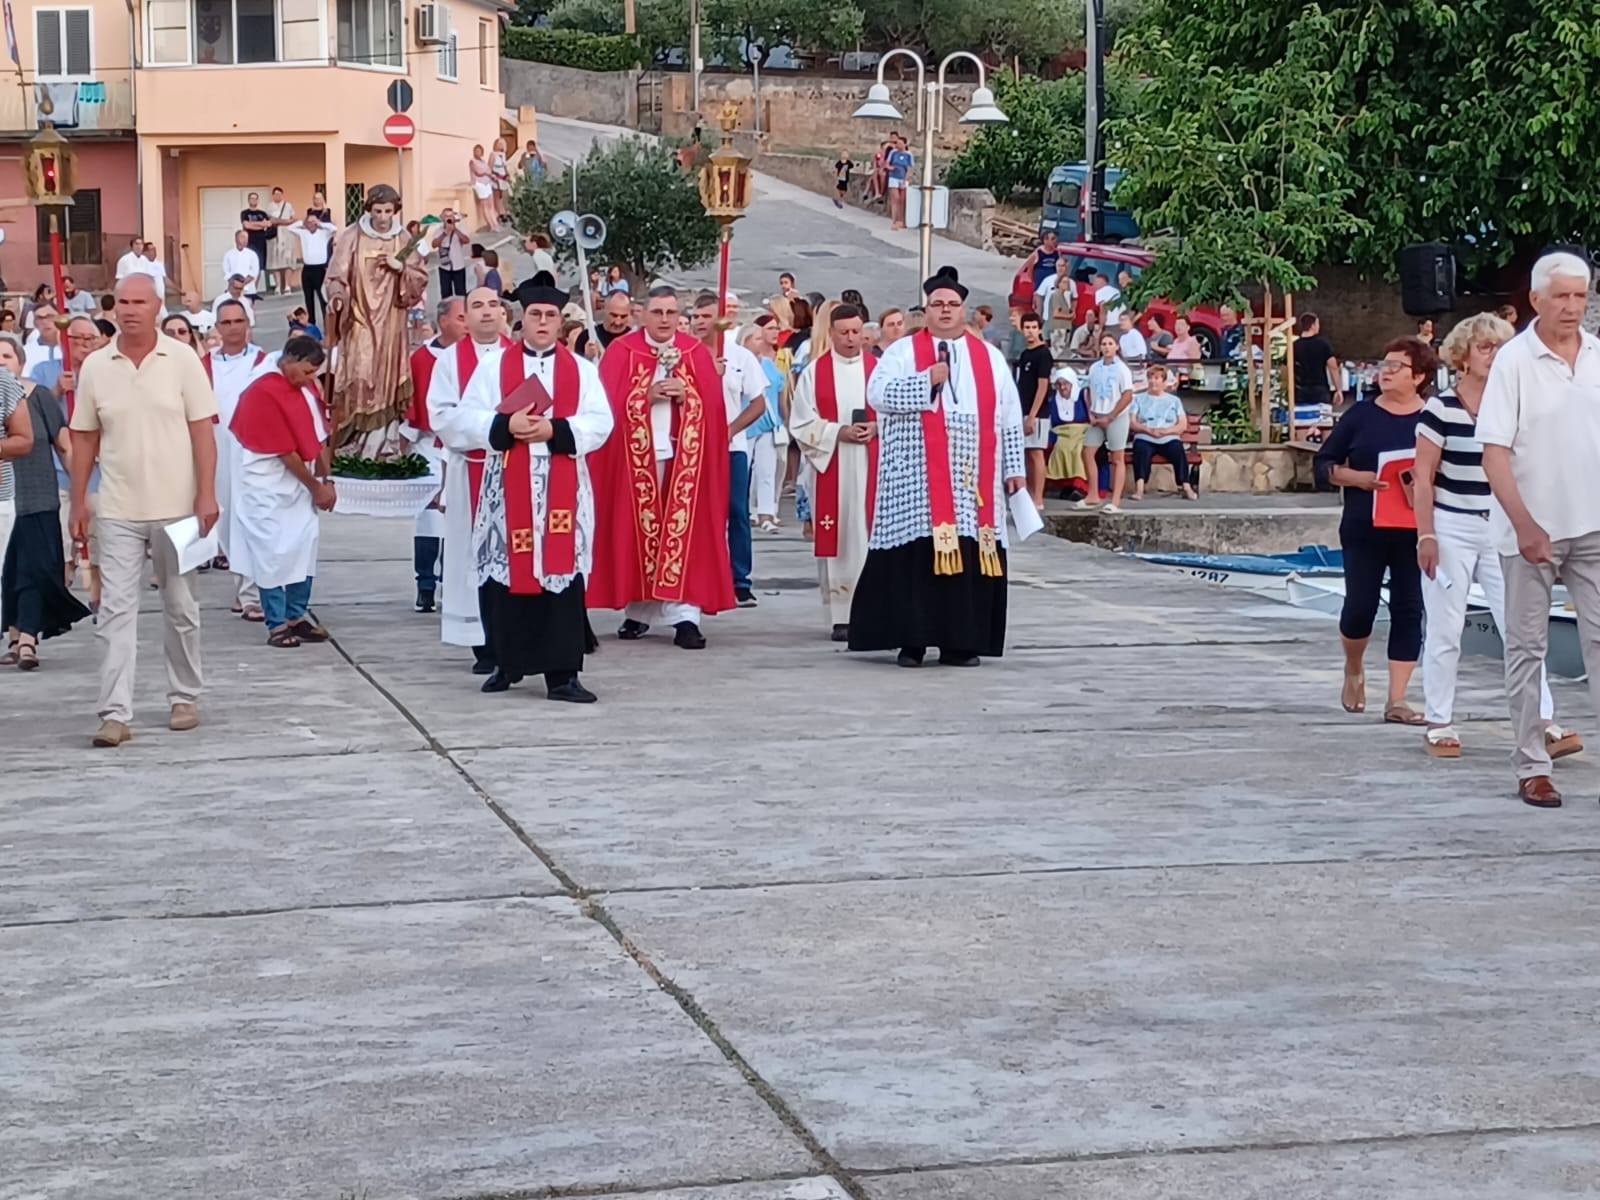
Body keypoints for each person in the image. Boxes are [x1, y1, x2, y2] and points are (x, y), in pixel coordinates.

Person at [1414, 311, 1578, 762]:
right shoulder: (1442, 407)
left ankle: (1542, 720)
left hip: (1502, 524)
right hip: (1452, 523)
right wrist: (1426, 534)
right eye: (1485, 347)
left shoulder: (1517, 405)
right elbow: (1423, 476)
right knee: (1446, 625)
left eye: (1501, 348)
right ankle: (1439, 720)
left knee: (1521, 627)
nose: (1494, 355)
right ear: (1463, 356)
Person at [446, 272, 613, 701]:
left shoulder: (582, 370)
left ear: (560, 321)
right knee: (504, 573)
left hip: (561, 483)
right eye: (535, 314)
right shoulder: (492, 367)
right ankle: (507, 664)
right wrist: (506, 425)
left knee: (561, 577)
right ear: (522, 320)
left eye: (550, 316)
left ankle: (563, 675)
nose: (542, 322)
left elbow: (602, 422)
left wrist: (555, 430)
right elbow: (463, 420)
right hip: (508, 484)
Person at [68, 274, 219, 748]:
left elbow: (203, 432)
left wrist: (207, 495)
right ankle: (114, 713)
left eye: (139, 302)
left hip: (178, 508)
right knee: (114, 611)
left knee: (181, 606)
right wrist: (79, 501)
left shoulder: (182, 359)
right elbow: (84, 438)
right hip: (118, 507)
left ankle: (184, 697)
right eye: (123, 302)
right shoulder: (96, 366)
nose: (130, 310)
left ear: (157, 307)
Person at [849, 267, 1024, 666]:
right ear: (925, 310)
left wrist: (1015, 468)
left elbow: (1009, 416)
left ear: (964, 310)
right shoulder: (902, 352)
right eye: (937, 304)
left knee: (967, 554)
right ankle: (911, 642)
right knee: (916, 557)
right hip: (916, 478)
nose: (945, 310)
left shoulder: (990, 357)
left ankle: (959, 642)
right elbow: (878, 394)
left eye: (952, 304)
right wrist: (926, 380)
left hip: (970, 480)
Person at [1478, 251, 1600, 808]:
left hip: (1592, 524)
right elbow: (1495, 452)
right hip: (1529, 530)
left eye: (1580, 295)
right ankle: (1532, 765)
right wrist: (1524, 524)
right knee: (1528, 648)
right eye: (1561, 296)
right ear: (1536, 300)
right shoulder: (1514, 361)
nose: (1572, 307)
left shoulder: (1596, 355)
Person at [591, 285, 733, 648]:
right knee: (637, 533)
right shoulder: (622, 351)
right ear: (642, 314)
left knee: (684, 533)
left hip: (684, 459)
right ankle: (639, 611)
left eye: (671, 313)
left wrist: (689, 398)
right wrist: (643, 397)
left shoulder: (694, 352)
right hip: (634, 460)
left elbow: (715, 409)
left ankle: (685, 616)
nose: (665, 320)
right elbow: (603, 406)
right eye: (657, 312)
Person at [1313, 337, 1432, 726]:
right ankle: (1354, 666)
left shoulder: (1433, 418)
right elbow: (1324, 463)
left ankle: (1397, 698)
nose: (1386, 371)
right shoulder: (1361, 415)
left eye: (1397, 366)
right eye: (1385, 364)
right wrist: (1357, 479)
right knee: (1360, 607)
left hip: (1415, 530)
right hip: (1364, 525)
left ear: (1419, 376)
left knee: (1409, 609)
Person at [421, 287, 511, 673]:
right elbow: (440, 415)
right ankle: (481, 641)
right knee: (470, 554)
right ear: (466, 318)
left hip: (515, 468)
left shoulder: (520, 355)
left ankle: (512, 638)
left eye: (493, 305)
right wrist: (493, 427)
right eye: (477, 306)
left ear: (503, 313)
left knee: (511, 553)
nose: (486, 312)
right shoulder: (450, 361)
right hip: (468, 467)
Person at [229, 337, 334, 648]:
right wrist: (316, 487)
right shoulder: (262, 390)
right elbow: (284, 450)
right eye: (306, 371)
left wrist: (327, 480)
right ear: (290, 359)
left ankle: (296, 615)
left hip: (299, 486)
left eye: (313, 373)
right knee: (272, 554)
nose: (309, 378)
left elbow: (318, 436)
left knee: (304, 547)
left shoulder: (305, 388)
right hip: (266, 485)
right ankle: (276, 623)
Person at [789, 302, 876, 639]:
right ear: (831, 333)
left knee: (867, 536)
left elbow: (898, 413)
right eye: (844, 333)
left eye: (856, 332)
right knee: (839, 536)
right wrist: (838, 432)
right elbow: (801, 422)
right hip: (832, 464)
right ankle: (842, 615)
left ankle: (872, 611)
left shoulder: (879, 369)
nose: (851, 339)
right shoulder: (815, 372)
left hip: (872, 465)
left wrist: (876, 428)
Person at [0, 335, 87, 669]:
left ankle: (27, 639)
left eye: (7, 356)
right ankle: (14, 635)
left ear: (21, 362)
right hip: (5, 501)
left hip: (37, 496)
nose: (1, 362)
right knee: (10, 571)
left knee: (34, 569)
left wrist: (79, 493)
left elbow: (64, 445)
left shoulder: (38, 397)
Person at [324, 184, 429, 456]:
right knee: (360, 374)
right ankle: (355, 442)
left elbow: (420, 277)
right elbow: (336, 275)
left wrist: (401, 267)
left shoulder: (403, 238)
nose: (383, 217)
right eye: (378, 211)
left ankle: (385, 445)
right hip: (359, 318)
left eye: (388, 211)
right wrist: (337, 296)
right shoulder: (352, 236)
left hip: (391, 321)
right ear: (369, 209)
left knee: (387, 379)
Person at [690, 292, 765, 607]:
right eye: (695, 317)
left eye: (706, 316)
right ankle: (701, 575)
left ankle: (740, 579)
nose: (699, 322)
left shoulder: (741, 357)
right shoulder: (684, 354)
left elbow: (758, 402)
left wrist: (730, 430)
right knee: (697, 512)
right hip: (693, 447)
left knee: (736, 511)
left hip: (731, 447)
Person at [205, 298, 273, 617]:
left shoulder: (265, 363)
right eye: (226, 322)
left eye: (238, 321)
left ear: (247, 324)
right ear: (217, 327)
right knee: (226, 521)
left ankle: (252, 593)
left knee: (251, 519)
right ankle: (243, 583)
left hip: (254, 452)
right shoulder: (202, 366)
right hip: (217, 450)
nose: (233, 328)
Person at [405, 295, 467, 614]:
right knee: (430, 518)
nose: (467, 323)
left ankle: (452, 585)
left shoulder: (477, 355)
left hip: (465, 446)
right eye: (461, 317)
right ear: (443, 321)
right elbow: (412, 401)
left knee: (460, 520)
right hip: (430, 445)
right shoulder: (422, 358)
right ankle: (425, 585)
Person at [1079, 333, 1134, 513]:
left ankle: (1115, 501)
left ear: (1116, 346)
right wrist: (1091, 413)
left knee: (1117, 458)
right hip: (1097, 415)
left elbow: (1127, 394)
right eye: (1104, 344)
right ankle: (1092, 494)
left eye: (1110, 343)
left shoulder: (1122, 369)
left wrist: (1111, 416)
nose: (1107, 347)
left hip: (1116, 416)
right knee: (1088, 452)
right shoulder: (1095, 367)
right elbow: (1087, 390)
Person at [1129, 364, 1197, 501]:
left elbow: (1182, 424)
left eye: (1157, 378)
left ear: (1164, 382)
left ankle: (1186, 486)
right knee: (1141, 449)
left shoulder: (1174, 401)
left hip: (1168, 437)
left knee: (1178, 450)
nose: (1153, 381)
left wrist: (1166, 431)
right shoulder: (1138, 399)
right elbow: (1132, 422)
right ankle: (1139, 488)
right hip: (1145, 436)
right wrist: (1148, 430)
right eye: (1150, 378)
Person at [745, 315, 785, 532]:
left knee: (767, 470)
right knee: (743, 471)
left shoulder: (769, 365)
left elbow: (779, 392)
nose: (761, 342)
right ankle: (745, 510)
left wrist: (783, 420)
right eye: (757, 338)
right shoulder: (740, 364)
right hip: (746, 424)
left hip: (768, 424)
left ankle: (767, 513)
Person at [1012, 311, 1054, 511]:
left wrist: (1033, 415)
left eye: (1033, 328)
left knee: (1037, 453)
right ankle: (1028, 494)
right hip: (1023, 409)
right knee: (1027, 453)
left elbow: (1042, 386)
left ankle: (1038, 498)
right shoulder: (1025, 354)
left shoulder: (1043, 354)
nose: (1030, 331)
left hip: (1037, 413)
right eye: (1027, 327)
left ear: (1039, 330)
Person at [285, 212, 337, 326]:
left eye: (314, 222)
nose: (311, 224)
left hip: (320, 269)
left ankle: (327, 323)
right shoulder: (303, 233)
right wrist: (302, 223)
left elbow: (334, 228)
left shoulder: (324, 233)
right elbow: (290, 228)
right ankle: (311, 323)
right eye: (309, 222)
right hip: (307, 269)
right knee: (308, 298)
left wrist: (320, 223)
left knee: (323, 298)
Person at [1293, 312, 1345, 408]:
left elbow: (1286, 369)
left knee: (1301, 416)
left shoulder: (1294, 345)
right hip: (1320, 389)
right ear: (1313, 325)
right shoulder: (1323, 343)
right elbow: (1333, 367)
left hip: (1300, 390)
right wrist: (1338, 389)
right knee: (1321, 416)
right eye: (1317, 324)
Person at [575, 292, 632, 360]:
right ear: (605, 310)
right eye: (614, 315)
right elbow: (576, 365)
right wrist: (587, 357)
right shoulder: (587, 336)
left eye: (623, 316)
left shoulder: (634, 339)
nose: (617, 322)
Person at [435, 208, 471, 300]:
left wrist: (455, 230)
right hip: (444, 266)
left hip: (458, 265)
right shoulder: (439, 230)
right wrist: (444, 233)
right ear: (442, 218)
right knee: (446, 293)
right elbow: (434, 244)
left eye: (450, 216)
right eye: (446, 216)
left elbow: (466, 240)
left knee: (461, 292)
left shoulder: (460, 228)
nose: (448, 218)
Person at [239, 193, 272, 289]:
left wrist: (253, 224)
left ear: (258, 200)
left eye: (255, 198)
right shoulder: (244, 213)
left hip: (261, 243)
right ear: (248, 200)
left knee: (259, 266)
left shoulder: (263, 213)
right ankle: (247, 288)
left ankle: (254, 289)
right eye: (252, 198)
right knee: (248, 266)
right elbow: (246, 225)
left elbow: (268, 224)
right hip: (249, 243)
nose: (253, 200)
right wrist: (261, 224)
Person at [22, 301, 62, 379]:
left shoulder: (71, 348)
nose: (44, 322)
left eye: (50, 316)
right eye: (39, 318)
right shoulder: (26, 352)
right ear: (35, 323)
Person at [1116, 309, 1149, 391]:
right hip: (1127, 369)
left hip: (1137, 370)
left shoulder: (1135, 334)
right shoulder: (1122, 337)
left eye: (1124, 320)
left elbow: (1142, 353)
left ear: (1130, 321)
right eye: (1120, 320)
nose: (1121, 322)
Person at [1023, 230, 1063, 296]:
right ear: (1045, 240)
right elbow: (1029, 268)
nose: (1055, 241)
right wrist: (1034, 281)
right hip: (1040, 286)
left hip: (1051, 286)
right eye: (1052, 239)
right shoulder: (1038, 252)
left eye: (1055, 238)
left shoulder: (1057, 253)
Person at [886, 135, 913, 230]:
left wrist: (906, 179)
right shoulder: (893, 153)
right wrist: (890, 168)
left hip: (903, 178)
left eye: (900, 143)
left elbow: (909, 168)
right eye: (897, 143)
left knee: (902, 200)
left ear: (905, 144)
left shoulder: (909, 155)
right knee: (895, 199)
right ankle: (894, 221)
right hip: (893, 177)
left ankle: (901, 221)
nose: (898, 145)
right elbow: (887, 163)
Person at [221, 231, 261, 297]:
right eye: (242, 237)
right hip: (233, 290)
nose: (245, 239)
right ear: (236, 239)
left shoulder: (252, 254)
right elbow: (225, 271)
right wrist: (235, 284)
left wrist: (243, 283)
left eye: (247, 238)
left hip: (249, 290)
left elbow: (254, 271)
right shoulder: (228, 254)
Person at [469, 144, 495, 230]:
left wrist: (490, 175)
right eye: (476, 151)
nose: (478, 152)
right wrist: (487, 173)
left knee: (490, 205)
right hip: (479, 183)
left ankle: (495, 224)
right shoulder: (472, 161)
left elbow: (488, 170)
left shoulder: (483, 161)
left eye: (479, 151)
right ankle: (491, 225)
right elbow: (478, 172)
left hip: (487, 182)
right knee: (484, 205)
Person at [489, 137, 513, 224]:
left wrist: (508, 175)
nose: (501, 145)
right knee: (498, 197)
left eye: (503, 144)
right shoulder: (493, 154)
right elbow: (490, 168)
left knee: (504, 197)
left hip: (503, 178)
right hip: (496, 179)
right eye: (500, 143)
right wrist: (492, 176)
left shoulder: (503, 155)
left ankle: (504, 212)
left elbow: (505, 167)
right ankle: (501, 214)